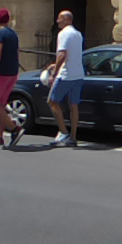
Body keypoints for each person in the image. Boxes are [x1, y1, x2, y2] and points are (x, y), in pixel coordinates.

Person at [45, 10, 84, 147]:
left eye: (60, 18)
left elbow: (62, 55)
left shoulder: (64, 34)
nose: (57, 21)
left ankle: (63, 131)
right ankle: (73, 137)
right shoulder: (77, 34)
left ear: (67, 20)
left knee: (52, 101)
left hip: (66, 75)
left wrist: (54, 73)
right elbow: (72, 55)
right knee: (74, 106)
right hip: (78, 74)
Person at [0, 8, 23, 149]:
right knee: (1, 105)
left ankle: (14, 128)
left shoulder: (0, 34)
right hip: (13, 73)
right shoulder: (13, 34)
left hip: (2, 73)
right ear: (8, 19)